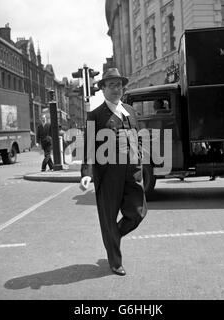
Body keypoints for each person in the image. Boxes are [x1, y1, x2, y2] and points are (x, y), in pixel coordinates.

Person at [80, 68, 147, 276]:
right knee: (108, 218)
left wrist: (140, 162)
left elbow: (138, 137)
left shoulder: (130, 110)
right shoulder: (95, 115)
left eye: (119, 85)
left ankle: (113, 236)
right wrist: (87, 173)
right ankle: (115, 261)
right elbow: (89, 147)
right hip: (108, 174)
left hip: (132, 171)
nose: (117, 89)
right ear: (102, 89)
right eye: (111, 85)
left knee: (138, 212)